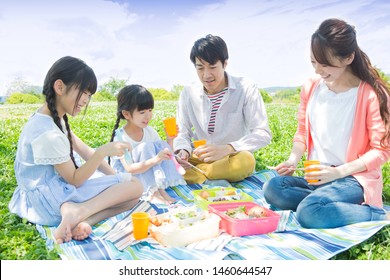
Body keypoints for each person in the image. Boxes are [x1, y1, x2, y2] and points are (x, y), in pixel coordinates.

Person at [263, 18, 390, 228]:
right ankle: (324, 203)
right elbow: (302, 130)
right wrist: (293, 159)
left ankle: (380, 215)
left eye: (325, 64)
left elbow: (382, 151)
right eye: (314, 62)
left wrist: (338, 172)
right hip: (318, 178)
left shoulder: (370, 94)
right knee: (273, 188)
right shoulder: (312, 87)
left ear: (348, 57)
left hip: (351, 178)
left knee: (309, 212)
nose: (318, 71)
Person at [8, 56, 143, 244]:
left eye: (89, 94)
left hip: (50, 196)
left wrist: (115, 179)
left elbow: (84, 150)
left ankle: (85, 219)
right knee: (136, 187)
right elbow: (75, 180)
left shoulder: (52, 118)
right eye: (84, 92)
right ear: (60, 87)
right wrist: (103, 152)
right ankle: (78, 211)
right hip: (50, 203)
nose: (86, 100)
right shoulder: (47, 133)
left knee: (130, 199)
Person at [174, 34, 272, 185]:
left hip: (230, 158)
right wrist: (183, 151)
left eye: (212, 67)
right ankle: (207, 177)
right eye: (200, 68)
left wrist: (228, 148)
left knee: (247, 161)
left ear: (225, 64)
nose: (206, 75)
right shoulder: (188, 92)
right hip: (199, 157)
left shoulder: (245, 88)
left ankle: (198, 176)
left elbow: (262, 133)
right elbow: (183, 131)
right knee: (167, 160)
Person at [109, 84, 186, 204]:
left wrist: (170, 140)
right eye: (142, 112)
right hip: (129, 179)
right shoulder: (120, 138)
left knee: (158, 145)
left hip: (144, 174)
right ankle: (152, 193)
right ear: (126, 114)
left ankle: (159, 190)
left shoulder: (150, 131)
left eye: (150, 110)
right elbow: (129, 169)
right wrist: (155, 159)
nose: (148, 116)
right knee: (146, 147)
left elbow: (166, 157)